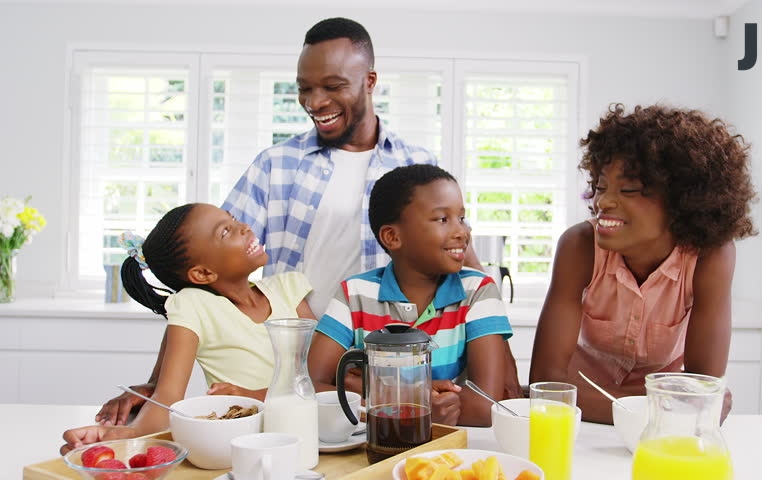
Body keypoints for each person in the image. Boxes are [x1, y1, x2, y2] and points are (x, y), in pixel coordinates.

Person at [95, 17, 522, 425]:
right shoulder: (274, 167)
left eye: (333, 86)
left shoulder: (417, 166)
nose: (315, 102)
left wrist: (508, 377)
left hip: (387, 366)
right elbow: (202, 268)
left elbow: (464, 265)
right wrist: (157, 385)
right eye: (305, 88)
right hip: (298, 369)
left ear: (369, 81)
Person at [529, 104, 757, 424]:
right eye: (600, 186)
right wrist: (663, 409)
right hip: (583, 424)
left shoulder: (710, 256)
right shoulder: (579, 247)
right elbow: (547, 388)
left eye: (628, 190)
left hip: (612, 414)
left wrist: (685, 406)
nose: (602, 202)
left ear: (683, 200)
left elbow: (703, 390)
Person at [61, 203, 315, 453]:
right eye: (225, 231)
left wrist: (254, 394)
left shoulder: (288, 287)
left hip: (310, 433)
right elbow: (168, 397)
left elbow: (321, 379)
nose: (244, 227)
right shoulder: (192, 306)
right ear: (203, 274)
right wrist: (129, 435)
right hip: (244, 445)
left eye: (234, 219)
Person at [308, 164, 515, 427]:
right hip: (373, 442)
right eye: (443, 219)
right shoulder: (355, 294)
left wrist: (369, 389)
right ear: (392, 237)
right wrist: (414, 402)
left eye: (461, 218)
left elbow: (486, 406)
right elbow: (310, 386)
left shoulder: (478, 292)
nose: (462, 232)